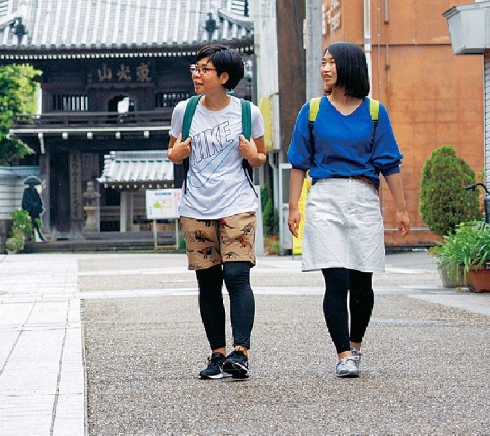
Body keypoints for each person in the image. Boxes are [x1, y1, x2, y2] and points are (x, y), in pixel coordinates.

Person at [286, 42, 410, 379]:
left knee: (362, 279)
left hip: (365, 197)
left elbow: (389, 162)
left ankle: (355, 345)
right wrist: (293, 207)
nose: (324, 68)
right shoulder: (311, 111)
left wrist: (401, 209)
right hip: (325, 196)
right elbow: (299, 162)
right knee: (336, 277)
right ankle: (343, 354)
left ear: (350, 67)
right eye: (323, 62)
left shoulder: (374, 112)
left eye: (331, 63)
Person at [167, 44, 266, 380]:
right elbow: (174, 152)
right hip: (196, 205)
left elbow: (260, 157)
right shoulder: (185, 110)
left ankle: (240, 353)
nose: (197, 74)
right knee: (207, 282)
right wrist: (176, 152)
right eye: (195, 68)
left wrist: (253, 154)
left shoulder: (248, 112)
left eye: (204, 69)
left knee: (237, 276)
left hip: (237, 202)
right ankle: (217, 353)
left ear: (224, 77)